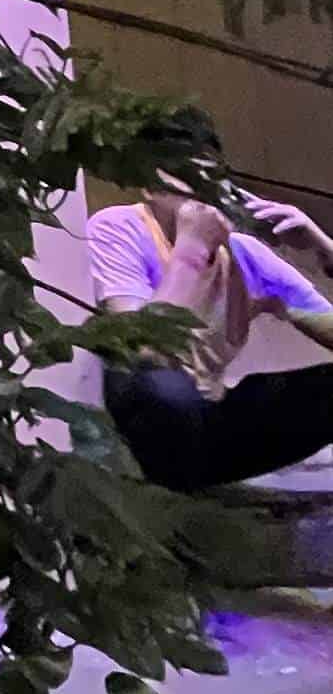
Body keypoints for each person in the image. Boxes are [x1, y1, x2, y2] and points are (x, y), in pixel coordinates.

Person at [88, 182, 333, 491]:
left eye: (211, 177)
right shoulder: (120, 227)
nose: (204, 191)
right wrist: (191, 249)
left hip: (209, 425)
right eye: (187, 177)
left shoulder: (245, 253)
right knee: (157, 382)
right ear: (152, 188)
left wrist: (322, 246)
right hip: (152, 424)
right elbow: (141, 346)